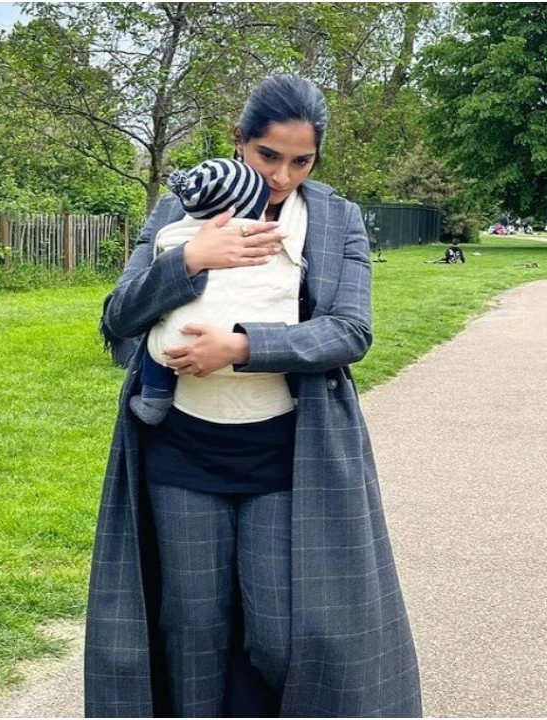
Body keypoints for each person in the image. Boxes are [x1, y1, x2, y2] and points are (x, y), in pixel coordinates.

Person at [90, 74, 422, 718]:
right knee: (192, 631)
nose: (283, 176)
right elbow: (118, 316)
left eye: (302, 161)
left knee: (281, 632)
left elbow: (349, 331)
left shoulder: (335, 217)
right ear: (239, 141)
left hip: (287, 456)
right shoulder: (177, 210)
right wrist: (189, 259)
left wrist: (241, 348)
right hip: (181, 452)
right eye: (269, 156)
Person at [128, 158, 278, 426]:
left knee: (158, 343)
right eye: (269, 156)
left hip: (178, 340)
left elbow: (154, 259)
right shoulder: (263, 235)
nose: (282, 178)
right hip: (248, 333)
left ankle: (155, 398)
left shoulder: (173, 233)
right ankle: (298, 391)